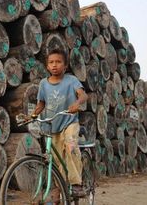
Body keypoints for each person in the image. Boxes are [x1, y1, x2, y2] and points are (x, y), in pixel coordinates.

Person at [29, 48, 88, 197]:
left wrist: (77, 103)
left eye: (58, 62)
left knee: (70, 145)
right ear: (47, 66)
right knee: (55, 159)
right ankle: (60, 188)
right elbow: (41, 103)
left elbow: (83, 95)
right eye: (51, 62)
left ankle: (76, 184)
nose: (54, 65)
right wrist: (34, 114)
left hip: (69, 122)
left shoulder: (71, 80)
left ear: (65, 65)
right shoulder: (43, 83)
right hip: (51, 126)